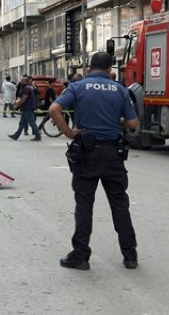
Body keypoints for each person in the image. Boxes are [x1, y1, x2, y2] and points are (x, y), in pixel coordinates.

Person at [49, 52, 140, 271]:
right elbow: (133, 122)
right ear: (110, 69)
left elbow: (54, 109)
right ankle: (130, 256)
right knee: (120, 205)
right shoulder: (119, 89)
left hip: (86, 153)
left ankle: (80, 256)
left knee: (84, 205)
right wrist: (118, 123)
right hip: (112, 154)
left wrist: (70, 133)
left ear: (89, 67)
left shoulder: (78, 87)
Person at [8, 75, 41, 141]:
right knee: (22, 123)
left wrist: (17, 105)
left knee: (31, 122)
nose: (21, 81)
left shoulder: (26, 88)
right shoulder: (26, 88)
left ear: (25, 82)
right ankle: (16, 135)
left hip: (27, 108)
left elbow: (24, 98)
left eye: (22, 80)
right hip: (26, 107)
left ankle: (38, 135)